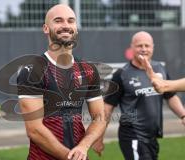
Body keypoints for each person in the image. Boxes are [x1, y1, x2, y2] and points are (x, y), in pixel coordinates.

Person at [17, 4, 106, 160]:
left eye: (71, 21)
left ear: (76, 28)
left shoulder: (88, 70)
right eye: (58, 21)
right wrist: (70, 157)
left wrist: (83, 148)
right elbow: (34, 130)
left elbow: (99, 117)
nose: (66, 25)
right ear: (46, 28)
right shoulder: (33, 70)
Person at [102, 31, 185, 160]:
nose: (144, 49)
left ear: (153, 47)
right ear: (132, 47)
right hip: (132, 136)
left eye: (147, 46)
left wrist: (183, 115)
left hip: (151, 137)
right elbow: (107, 107)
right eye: (139, 45)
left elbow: (171, 96)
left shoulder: (160, 69)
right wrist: (98, 136)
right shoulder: (121, 74)